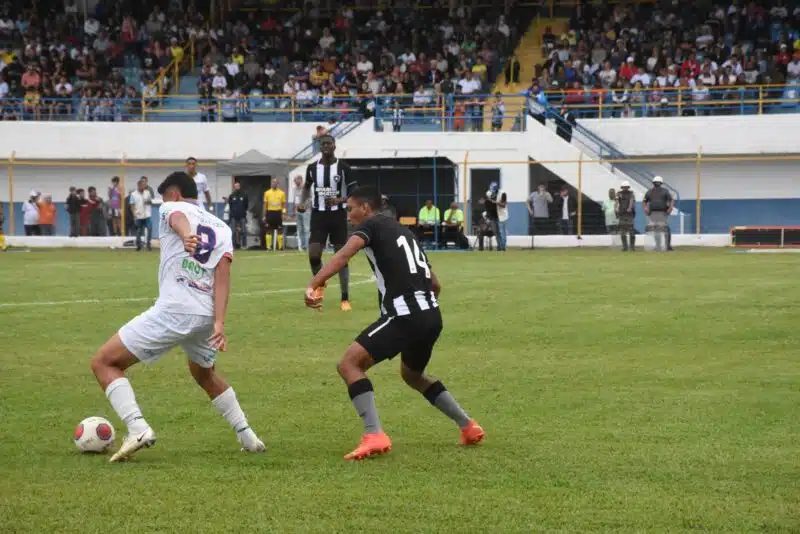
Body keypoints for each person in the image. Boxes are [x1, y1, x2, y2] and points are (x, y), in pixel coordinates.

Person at [89, 171, 265, 462]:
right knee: (204, 374)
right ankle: (249, 437)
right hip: (205, 315)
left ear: (174, 194)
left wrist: (186, 237)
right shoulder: (222, 227)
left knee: (104, 362)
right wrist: (219, 322)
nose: (163, 204)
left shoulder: (173, 207)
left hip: (175, 309)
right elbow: (223, 276)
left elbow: (177, 220)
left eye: (163, 198)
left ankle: (137, 428)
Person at [304, 186, 485, 460]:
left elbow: (344, 255)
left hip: (405, 314)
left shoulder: (372, 225)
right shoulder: (405, 232)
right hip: (431, 316)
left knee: (349, 365)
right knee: (412, 375)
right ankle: (468, 426)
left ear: (366, 208)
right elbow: (435, 283)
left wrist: (315, 282)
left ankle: (374, 434)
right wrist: (422, 306)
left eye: (351, 209)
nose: (348, 216)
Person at [299, 135, 352, 311]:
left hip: (338, 216)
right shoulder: (313, 168)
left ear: (334, 146)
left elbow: (354, 194)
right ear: (319, 147)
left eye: (329, 143)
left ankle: (345, 298)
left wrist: (339, 200)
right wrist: (302, 202)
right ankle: (321, 283)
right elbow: (306, 187)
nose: (326, 146)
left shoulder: (344, 168)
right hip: (318, 216)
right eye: (323, 144)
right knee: (314, 255)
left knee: (341, 258)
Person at [643, 176, 673, 252]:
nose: (657, 183)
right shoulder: (649, 191)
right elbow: (644, 201)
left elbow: (671, 200)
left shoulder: (665, 191)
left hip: (663, 212)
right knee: (656, 230)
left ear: (661, 183)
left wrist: (670, 208)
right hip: (653, 213)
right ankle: (658, 246)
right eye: (656, 182)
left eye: (658, 182)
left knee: (665, 229)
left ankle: (668, 246)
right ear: (653, 183)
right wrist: (645, 208)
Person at [262, 178, 286, 251]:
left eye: (275, 183)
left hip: (278, 213)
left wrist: (284, 213)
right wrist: (264, 215)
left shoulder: (282, 193)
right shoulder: (267, 193)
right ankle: (268, 247)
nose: (274, 184)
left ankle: (280, 247)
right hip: (270, 213)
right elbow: (265, 204)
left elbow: (283, 205)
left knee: (280, 230)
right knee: (268, 230)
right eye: (273, 183)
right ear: (271, 184)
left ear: (278, 184)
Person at [130, 179, 153, 251]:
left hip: (147, 215)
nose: (143, 186)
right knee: (139, 231)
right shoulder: (133, 194)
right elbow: (132, 205)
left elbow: (150, 202)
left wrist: (147, 201)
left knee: (149, 228)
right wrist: (134, 214)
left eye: (144, 185)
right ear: (138, 185)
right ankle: (138, 245)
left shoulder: (147, 192)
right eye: (142, 185)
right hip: (138, 215)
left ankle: (148, 244)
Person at [227, 182, 249, 249]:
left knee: (244, 231)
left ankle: (244, 245)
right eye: (235, 186)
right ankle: (233, 246)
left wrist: (243, 212)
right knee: (233, 232)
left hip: (242, 216)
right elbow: (230, 206)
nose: (237, 187)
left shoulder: (244, 195)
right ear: (234, 187)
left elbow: (246, 205)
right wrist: (231, 215)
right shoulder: (231, 195)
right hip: (233, 216)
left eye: (238, 186)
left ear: (240, 186)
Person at [616, 181, 636, 251]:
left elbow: (631, 200)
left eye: (626, 187)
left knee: (631, 232)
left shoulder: (631, 194)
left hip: (629, 215)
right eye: (624, 187)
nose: (625, 188)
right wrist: (616, 209)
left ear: (628, 187)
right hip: (622, 214)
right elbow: (617, 202)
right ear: (622, 187)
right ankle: (625, 247)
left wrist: (629, 208)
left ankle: (632, 247)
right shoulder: (619, 194)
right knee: (622, 232)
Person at [292, 175, 310, 251]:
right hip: (297, 211)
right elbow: (295, 200)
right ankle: (302, 246)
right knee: (300, 229)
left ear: (300, 180)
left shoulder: (306, 188)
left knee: (306, 228)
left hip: (305, 211)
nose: (295, 182)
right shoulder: (295, 189)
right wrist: (294, 210)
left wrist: (304, 207)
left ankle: (307, 246)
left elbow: (310, 199)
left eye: (295, 180)